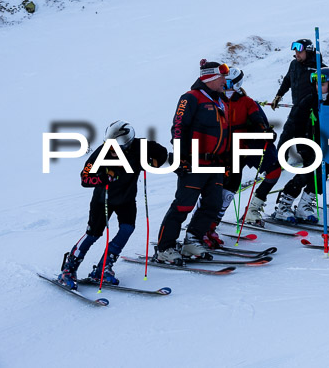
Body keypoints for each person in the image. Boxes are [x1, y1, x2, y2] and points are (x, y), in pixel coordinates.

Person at [57, 121, 168, 289]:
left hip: (127, 200)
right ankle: (69, 269)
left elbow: (161, 153)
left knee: (127, 229)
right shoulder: (101, 152)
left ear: (128, 142)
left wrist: (153, 162)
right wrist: (104, 178)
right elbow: (84, 179)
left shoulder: (140, 146)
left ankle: (104, 268)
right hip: (103, 200)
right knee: (93, 234)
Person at [196, 69, 282, 248]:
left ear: (236, 85)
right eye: (222, 82)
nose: (223, 86)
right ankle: (199, 229)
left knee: (228, 192)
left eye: (227, 83)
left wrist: (264, 131)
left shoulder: (246, 102)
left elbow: (258, 120)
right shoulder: (213, 101)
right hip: (219, 153)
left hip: (239, 151)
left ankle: (211, 227)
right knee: (214, 191)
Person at [155, 60, 230, 264]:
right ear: (210, 78)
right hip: (194, 162)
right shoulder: (191, 98)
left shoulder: (220, 100)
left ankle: (192, 240)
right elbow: (178, 128)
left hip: (216, 164)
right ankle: (165, 248)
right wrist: (180, 157)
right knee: (183, 206)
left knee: (213, 204)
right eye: (222, 77)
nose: (225, 80)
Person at [273, 68, 329, 224]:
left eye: (322, 84)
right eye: (316, 84)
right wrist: (301, 146)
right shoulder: (309, 100)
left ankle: (305, 205)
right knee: (308, 172)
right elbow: (297, 123)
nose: (318, 87)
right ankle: (284, 204)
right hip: (310, 144)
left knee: (322, 175)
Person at [270, 39, 325, 110]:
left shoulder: (319, 68)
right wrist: (278, 96)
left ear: (308, 51)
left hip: (313, 110)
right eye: (296, 52)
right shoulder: (294, 64)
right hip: (297, 108)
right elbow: (287, 81)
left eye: (299, 52)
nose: (297, 54)